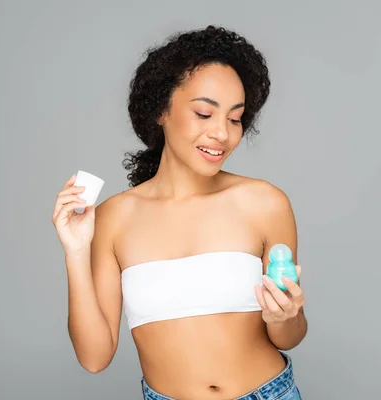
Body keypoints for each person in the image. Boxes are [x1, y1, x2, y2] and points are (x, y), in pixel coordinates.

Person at [51, 25, 307, 400]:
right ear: (160, 111)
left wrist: (287, 316)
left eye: (235, 119)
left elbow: (289, 336)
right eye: (204, 113)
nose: (222, 133)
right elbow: (94, 358)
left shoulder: (265, 203)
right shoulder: (113, 219)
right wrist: (75, 251)